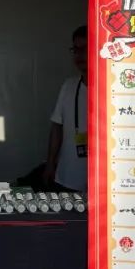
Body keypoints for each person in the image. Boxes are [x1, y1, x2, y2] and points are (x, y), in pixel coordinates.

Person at [43, 25, 87, 192]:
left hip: (104, 180)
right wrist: (50, 164)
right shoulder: (69, 86)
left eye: (85, 49)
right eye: (75, 49)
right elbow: (57, 127)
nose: (79, 54)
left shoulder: (114, 88)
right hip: (67, 178)